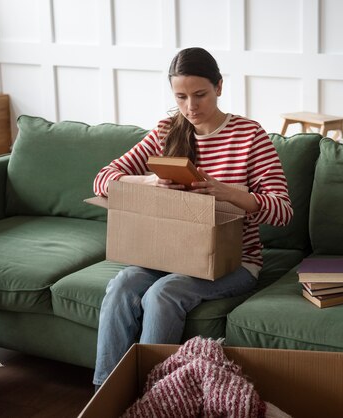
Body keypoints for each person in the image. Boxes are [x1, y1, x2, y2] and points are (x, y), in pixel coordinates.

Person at [92, 47, 293, 388]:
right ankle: (105, 392)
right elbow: (103, 179)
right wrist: (150, 180)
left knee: (163, 293)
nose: (191, 107)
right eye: (181, 97)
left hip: (236, 263)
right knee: (123, 284)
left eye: (200, 95)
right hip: (169, 254)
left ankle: (154, 397)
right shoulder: (167, 130)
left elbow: (282, 211)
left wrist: (229, 193)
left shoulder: (250, 136)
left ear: (219, 87)